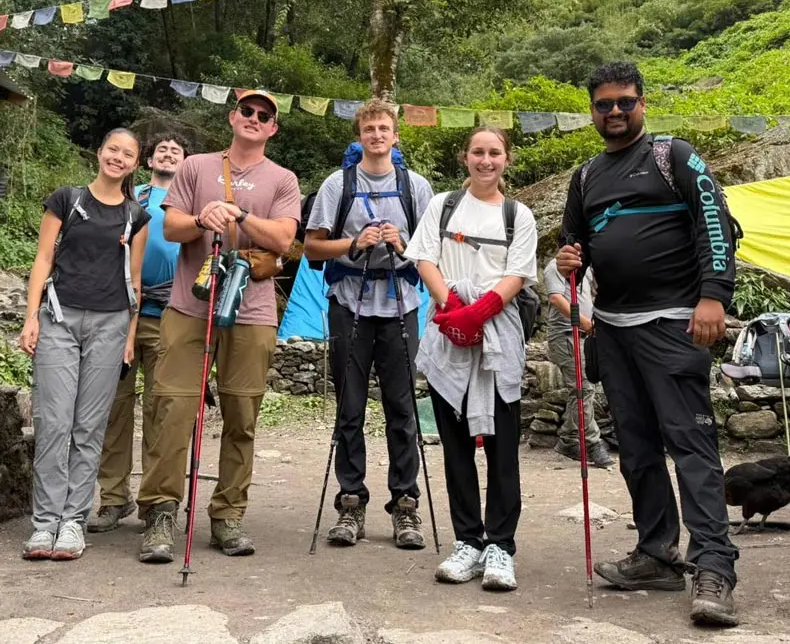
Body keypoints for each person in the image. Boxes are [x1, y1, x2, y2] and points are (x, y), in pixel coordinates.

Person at [556, 62, 739, 627]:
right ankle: (657, 553)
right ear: (591, 111)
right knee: (635, 448)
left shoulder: (675, 157)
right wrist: (569, 258)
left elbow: (717, 224)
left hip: (675, 324)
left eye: (624, 102)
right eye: (603, 105)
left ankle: (714, 568)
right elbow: (573, 241)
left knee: (691, 446)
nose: (614, 113)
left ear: (643, 103)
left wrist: (714, 296)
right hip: (612, 328)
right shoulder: (586, 176)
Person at [136, 91, 301, 563]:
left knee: (242, 415)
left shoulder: (283, 179)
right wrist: (201, 217)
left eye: (263, 116)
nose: (253, 119)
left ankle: (228, 514)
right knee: (172, 408)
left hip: (253, 312)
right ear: (232, 117)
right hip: (190, 305)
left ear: (272, 128)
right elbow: (171, 228)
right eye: (246, 111)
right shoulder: (196, 167)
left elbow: (287, 241)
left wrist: (242, 215)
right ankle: (161, 513)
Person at [404, 126, 537, 592]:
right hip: (448, 333)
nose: (486, 160)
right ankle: (468, 541)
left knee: (502, 449)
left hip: (499, 337)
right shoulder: (441, 206)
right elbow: (424, 258)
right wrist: (451, 309)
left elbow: (518, 274)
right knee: (456, 445)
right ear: (465, 157)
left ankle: (501, 546)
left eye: (494, 153)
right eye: (478, 152)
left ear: (507, 160)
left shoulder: (518, 215)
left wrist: (479, 313)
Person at [304, 99, 434, 549]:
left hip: (402, 305)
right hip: (348, 304)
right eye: (369, 129)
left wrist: (404, 245)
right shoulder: (336, 185)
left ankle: (405, 505)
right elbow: (312, 248)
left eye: (384, 128)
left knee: (402, 410)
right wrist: (354, 243)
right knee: (350, 408)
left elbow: (431, 252)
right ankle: (350, 502)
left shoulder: (415, 187)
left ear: (396, 136)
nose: (377, 135)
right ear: (358, 136)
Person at [18, 128, 150, 560]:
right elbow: (43, 258)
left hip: (111, 325)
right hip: (59, 317)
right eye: (113, 149)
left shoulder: (136, 216)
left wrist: (130, 336)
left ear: (135, 165)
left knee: (89, 427)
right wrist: (30, 316)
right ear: (100, 153)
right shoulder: (66, 199)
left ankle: (73, 522)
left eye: (127, 154)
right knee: (53, 421)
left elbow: (135, 281)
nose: (118, 158)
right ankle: (45, 524)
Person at [88, 133, 188, 533]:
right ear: (148, 159)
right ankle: (113, 498)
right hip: (121, 312)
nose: (167, 153)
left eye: (175, 151)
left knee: (161, 412)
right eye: (161, 149)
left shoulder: (189, 203)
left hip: (172, 315)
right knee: (114, 409)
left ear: (185, 162)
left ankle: (154, 501)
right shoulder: (130, 197)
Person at [543, 259, 614, 467]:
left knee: (582, 389)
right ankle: (593, 443)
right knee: (582, 388)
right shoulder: (555, 266)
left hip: (584, 336)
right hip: (565, 336)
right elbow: (556, 299)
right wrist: (587, 324)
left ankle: (567, 439)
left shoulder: (587, 269)